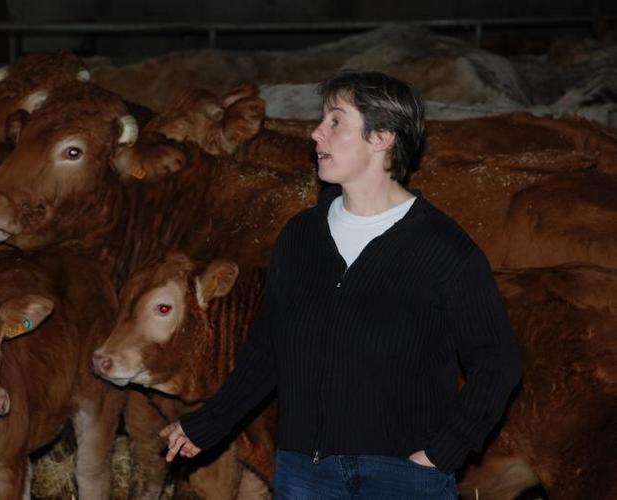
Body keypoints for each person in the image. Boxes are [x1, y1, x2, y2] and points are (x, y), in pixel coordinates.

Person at [160, 71, 522, 499]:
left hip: (402, 477)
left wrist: (441, 453)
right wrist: (210, 421)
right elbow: (270, 348)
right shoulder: (301, 238)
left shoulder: (441, 247)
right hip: (304, 473)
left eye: (335, 121)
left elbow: (497, 361)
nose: (316, 133)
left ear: (383, 137)